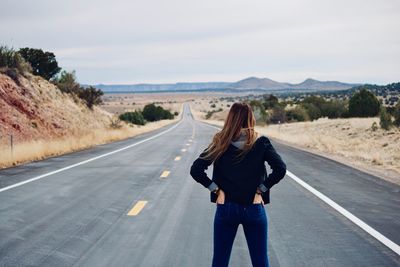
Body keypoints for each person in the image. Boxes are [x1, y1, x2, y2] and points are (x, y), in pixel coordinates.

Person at [190, 102, 287, 267]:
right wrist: (261, 191)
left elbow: (196, 169)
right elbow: (280, 169)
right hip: (253, 207)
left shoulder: (220, 141)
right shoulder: (261, 142)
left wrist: (216, 190)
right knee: (260, 262)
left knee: (220, 261)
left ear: (231, 119)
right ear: (250, 118)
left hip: (226, 207)